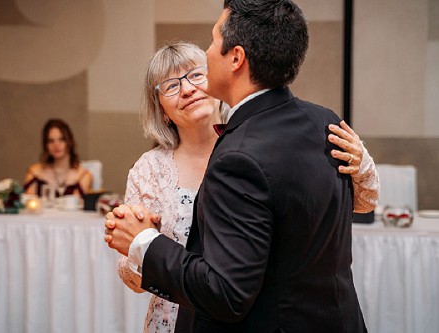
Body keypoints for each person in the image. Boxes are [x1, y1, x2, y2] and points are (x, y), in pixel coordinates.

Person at [114, 37, 377, 333]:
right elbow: (132, 275)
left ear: (214, 81)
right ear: (161, 109)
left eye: (195, 75)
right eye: (171, 86)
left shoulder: (260, 143)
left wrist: (362, 166)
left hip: (255, 318)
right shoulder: (149, 170)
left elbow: (359, 204)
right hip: (174, 319)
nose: (187, 89)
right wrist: (142, 241)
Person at [24, 118, 92, 198]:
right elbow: (29, 205)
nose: (56, 145)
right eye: (51, 141)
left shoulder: (83, 176)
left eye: (61, 139)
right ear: (46, 145)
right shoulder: (34, 173)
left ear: (69, 142)